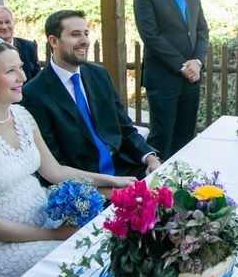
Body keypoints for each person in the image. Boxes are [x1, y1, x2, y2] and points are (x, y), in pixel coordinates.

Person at [0, 37, 136, 277]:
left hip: (41, 220)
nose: (23, 77)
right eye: (10, 71)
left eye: (21, 67)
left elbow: (55, 171)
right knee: (86, 261)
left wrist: (113, 181)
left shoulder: (21, 115)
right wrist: (56, 236)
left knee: (109, 240)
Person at [21, 10, 161, 180]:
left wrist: (150, 158)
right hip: (85, 184)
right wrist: (110, 188)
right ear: (54, 41)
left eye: (86, 33)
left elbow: (125, 127)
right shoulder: (34, 93)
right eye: (75, 34)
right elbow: (54, 163)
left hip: (125, 168)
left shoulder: (98, 74)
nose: (84, 41)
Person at [133, 0, 209, 159]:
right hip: (163, 78)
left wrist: (197, 62)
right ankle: (154, 188)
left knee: (186, 137)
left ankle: (183, 187)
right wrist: (181, 65)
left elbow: (201, 30)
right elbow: (150, 35)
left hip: (191, 79)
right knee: (162, 136)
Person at [0, 5, 41, 80]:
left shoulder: (29, 47)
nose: (4, 27)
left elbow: (37, 77)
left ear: (13, 23)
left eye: (7, 22)